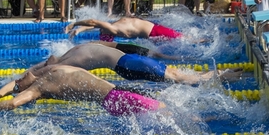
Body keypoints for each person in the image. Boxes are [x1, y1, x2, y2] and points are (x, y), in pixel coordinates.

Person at [0, 64, 165, 116]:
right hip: (115, 98)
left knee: (165, 108)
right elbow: (14, 102)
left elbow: (12, 87)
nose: (19, 78)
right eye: (18, 83)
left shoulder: (48, 70)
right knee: (166, 113)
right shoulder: (38, 87)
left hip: (119, 92)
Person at [27, 43, 243, 84]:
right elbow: (45, 70)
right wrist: (27, 78)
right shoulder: (71, 57)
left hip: (127, 65)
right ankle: (221, 76)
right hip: (129, 63)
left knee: (177, 77)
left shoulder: (72, 54)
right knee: (179, 78)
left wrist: (30, 74)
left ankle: (219, 76)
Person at [66, 17, 183, 42]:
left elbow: (94, 23)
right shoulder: (115, 28)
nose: (100, 29)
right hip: (154, 31)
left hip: (155, 31)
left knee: (185, 39)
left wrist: (77, 27)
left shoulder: (113, 26)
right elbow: (95, 23)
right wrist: (77, 26)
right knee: (184, 39)